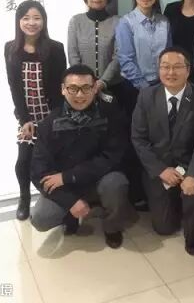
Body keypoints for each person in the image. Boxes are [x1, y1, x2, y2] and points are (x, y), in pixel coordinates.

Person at [30, 65, 135, 248]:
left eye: (86, 88)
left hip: (98, 179)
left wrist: (69, 176)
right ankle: (72, 214)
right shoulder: (49, 123)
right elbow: (38, 172)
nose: (80, 95)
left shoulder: (110, 115)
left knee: (116, 183)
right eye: (73, 88)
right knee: (40, 218)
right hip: (67, 186)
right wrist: (69, 201)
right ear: (63, 89)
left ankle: (111, 226)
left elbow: (113, 157)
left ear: (95, 88)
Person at [131, 47, 194, 255]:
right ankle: (175, 203)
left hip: (188, 166)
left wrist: (193, 174)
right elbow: (138, 139)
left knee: (193, 202)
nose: (171, 72)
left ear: (188, 70)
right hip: (160, 168)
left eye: (177, 67)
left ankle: (193, 231)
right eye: (165, 67)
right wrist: (161, 170)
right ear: (158, 69)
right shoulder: (146, 96)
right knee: (164, 227)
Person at [4, 0, 66, 220]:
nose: (32, 23)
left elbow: (61, 87)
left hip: (52, 115)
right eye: (26, 18)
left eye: (37, 18)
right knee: (24, 160)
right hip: (27, 117)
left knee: (53, 158)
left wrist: (54, 119)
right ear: (19, 21)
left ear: (44, 21)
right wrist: (24, 120)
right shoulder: (10, 48)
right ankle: (24, 197)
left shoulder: (55, 48)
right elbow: (14, 86)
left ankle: (55, 197)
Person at [115, 0, 171, 115]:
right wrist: (145, 87)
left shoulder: (164, 22)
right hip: (133, 87)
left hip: (161, 85)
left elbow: (169, 55)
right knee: (136, 124)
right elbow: (126, 59)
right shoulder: (126, 22)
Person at [67, 0, 121, 95]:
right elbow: (73, 55)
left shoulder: (118, 22)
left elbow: (118, 56)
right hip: (83, 88)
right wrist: (84, 81)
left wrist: (102, 82)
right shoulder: (76, 21)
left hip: (113, 87)